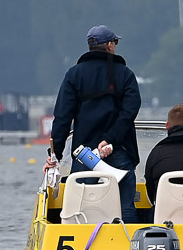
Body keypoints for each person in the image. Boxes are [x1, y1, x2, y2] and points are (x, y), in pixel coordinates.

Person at [49, 25, 142, 222]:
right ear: (109, 45)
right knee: (125, 206)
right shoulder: (125, 75)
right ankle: (130, 248)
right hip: (120, 148)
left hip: (85, 154)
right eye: (114, 43)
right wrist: (110, 140)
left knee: (80, 207)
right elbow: (129, 112)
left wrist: (55, 153)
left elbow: (63, 117)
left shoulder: (73, 75)